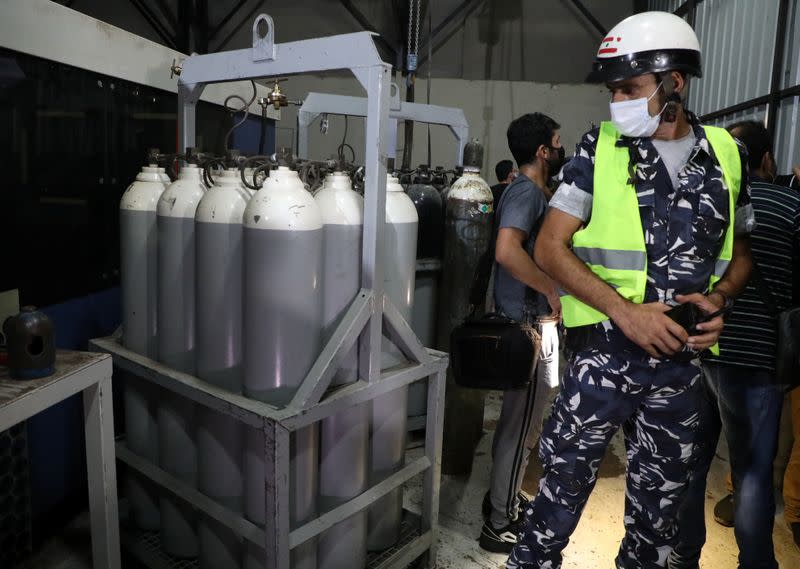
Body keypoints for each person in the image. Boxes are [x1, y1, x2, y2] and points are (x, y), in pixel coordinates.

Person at [508, 12, 754, 569]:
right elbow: (548, 247)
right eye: (612, 89)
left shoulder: (727, 156)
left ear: (675, 83)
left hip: (680, 367)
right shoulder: (601, 147)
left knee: (656, 526)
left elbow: (740, 258)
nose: (616, 100)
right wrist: (624, 313)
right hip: (602, 359)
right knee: (554, 505)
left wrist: (720, 300)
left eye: (629, 88)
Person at [668, 120, 800, 569]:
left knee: (691, 464)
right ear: (766, 159)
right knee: (754, 476)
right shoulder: (790, 207)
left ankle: (683, 557)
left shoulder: (708, 204)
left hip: (701, 351)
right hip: (759, 361)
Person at [479, 113, 563, 554]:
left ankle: (503, 498)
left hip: (530, 321)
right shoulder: (527, 193)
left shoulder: (530, 191)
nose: (560, 148)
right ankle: (499, 519)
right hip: (526, 324)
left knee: (521, 420)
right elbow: (507, 251)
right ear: (542, 151)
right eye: (556, 141)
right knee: (520, 422)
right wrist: (550, 289)